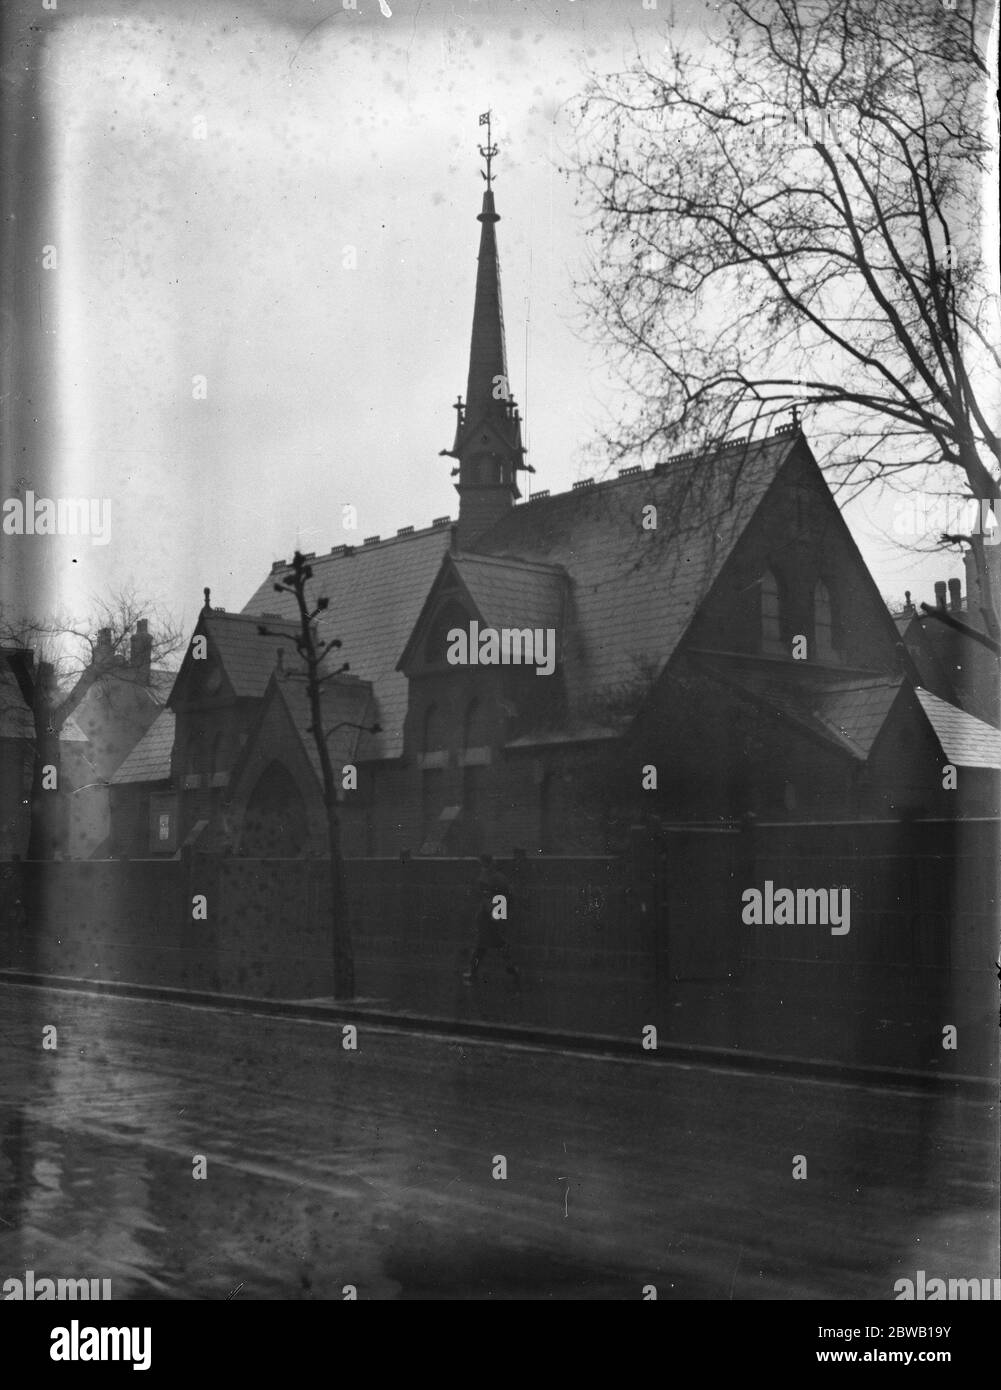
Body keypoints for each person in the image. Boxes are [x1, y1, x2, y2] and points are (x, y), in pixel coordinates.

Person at [463, 853, 520, 986]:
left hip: (489, 912)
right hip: (496, 912)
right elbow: (507, 897)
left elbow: (484, 895)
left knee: (483, 945)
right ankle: (511, 967)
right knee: (494, 942)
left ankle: (474, 971)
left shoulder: (487, 877)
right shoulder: (499, 877)